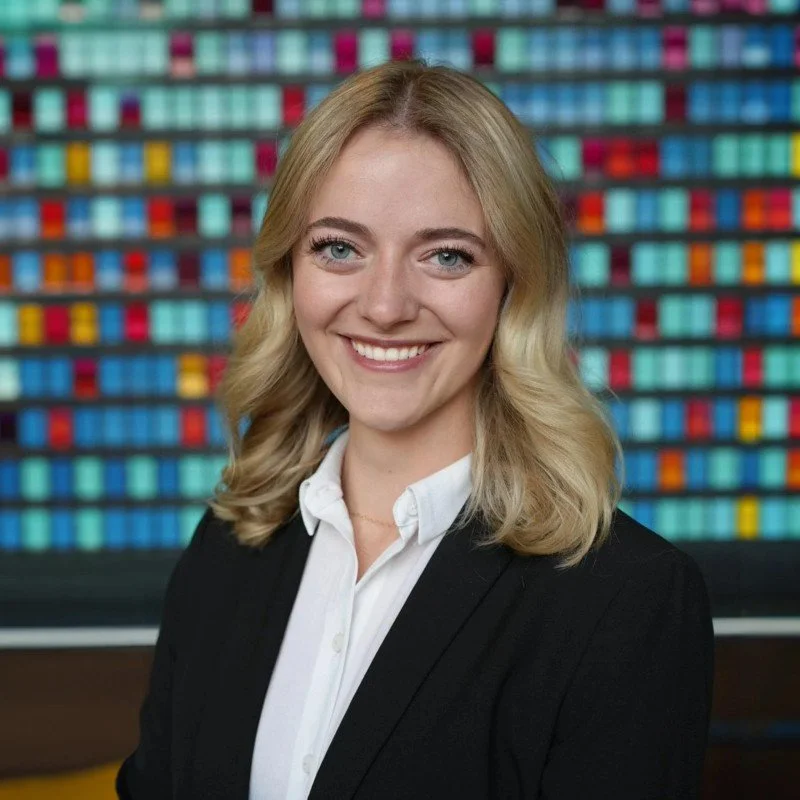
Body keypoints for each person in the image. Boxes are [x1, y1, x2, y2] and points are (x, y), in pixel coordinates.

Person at [116, 59, 714, 800]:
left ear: (513, 286)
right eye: (339, 247)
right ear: (288, 274)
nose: (387, 304)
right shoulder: (228, 547)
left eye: (447, 256)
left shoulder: (630, 601)